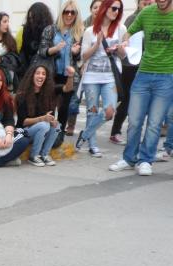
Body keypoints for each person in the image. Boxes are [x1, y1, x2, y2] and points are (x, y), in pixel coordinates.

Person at [108, 0, 173, 175]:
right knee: (134, 121)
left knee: (154, 123)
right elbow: (129, 32)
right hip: (142, 74)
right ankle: (129, 158)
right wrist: (125, 43)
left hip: (167, 77)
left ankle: (146, 160)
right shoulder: (146, 13)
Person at [76, 0, 127, 157]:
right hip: (91, 77)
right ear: (105, 8)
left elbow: (124, 56)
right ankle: (92, 145)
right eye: (113, 8)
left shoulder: (121, 29)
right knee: (92, 111)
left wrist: (119, 49)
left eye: (119, 9)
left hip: (110, 76)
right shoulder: (90, 31)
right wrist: (96, 44)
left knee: (109, 111)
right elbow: (83, 56)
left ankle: (84, 135)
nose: (116, 11)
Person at [109, 0, 155, 145]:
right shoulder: (133, 19)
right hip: (129, 66)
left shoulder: (155, 18)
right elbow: (126, 41)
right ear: (138, 4)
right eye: (144, 3)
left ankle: (130, 133)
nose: (147, 6)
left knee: (139, 101)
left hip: (146, 66)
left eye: (149, 3)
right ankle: (115, 131)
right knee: (126, 99)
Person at [38, 0, 84, 134]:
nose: (69, 15)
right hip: (51, 73)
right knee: (49, 105)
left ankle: (59, 134)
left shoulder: (79, 32)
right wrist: (55, 49)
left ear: (76, 14)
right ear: (61, 13)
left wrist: (75, 53)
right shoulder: (50, 29)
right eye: (66, 11)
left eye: (72, 12)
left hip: (69, 76)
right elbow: (42, 50)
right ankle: (46, 133)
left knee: (64, 107)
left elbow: (81, 58)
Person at [16, 64, 75, 166]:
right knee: (44, 125)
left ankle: (44, 154)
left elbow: (67, 89)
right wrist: (43, 119)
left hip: (42, 131)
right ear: (32, 76)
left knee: (57, 126)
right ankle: (33, 156)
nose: (41, 76)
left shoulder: (49, 91)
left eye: (43, 74)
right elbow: (23, 122)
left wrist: (70, 76)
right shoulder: (22, 94)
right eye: (38, 73)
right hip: (25, 132)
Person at [19, 3, 55, 75]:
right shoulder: (26, 30)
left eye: (34, 18)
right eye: (30, 18)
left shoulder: (50, 30)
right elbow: (24, 52)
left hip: (45, 70)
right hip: (28, 70)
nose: (31, 21)